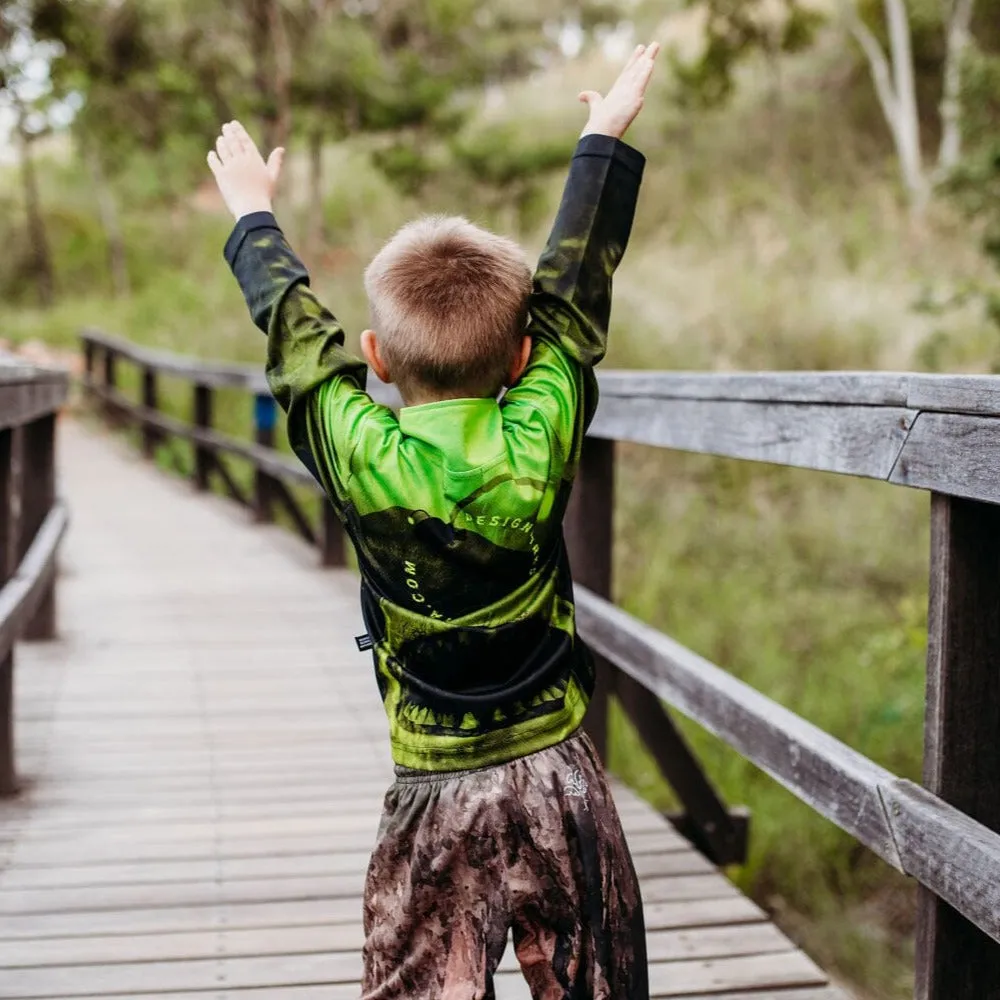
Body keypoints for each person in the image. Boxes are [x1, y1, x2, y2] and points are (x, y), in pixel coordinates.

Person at [208, 41, 660, 1000]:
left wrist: (254, 213)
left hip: (431, 787)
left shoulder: (358, 451)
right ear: (522, 357)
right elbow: (575, 300)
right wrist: (600, 142)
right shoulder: (537, 438)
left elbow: (296, 342)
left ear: (375, 355)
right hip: (560, 774)